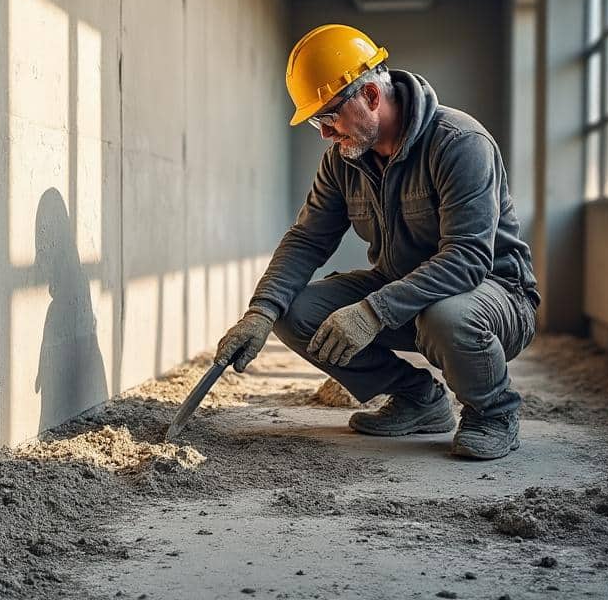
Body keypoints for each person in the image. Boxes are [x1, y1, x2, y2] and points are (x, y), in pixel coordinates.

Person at [214, 24, 539, 460]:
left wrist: (372, 311)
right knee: (293, 314)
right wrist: (261, 310)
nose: (325, 133)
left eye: (328, 116)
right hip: (402, 291)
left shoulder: (460, 144)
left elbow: (467, 259)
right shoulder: (344, 159)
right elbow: (308, 239)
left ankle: (494, 411)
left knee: (445, 316)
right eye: (317, 121)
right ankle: (418, 399)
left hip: (492, 296)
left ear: (370, 96)